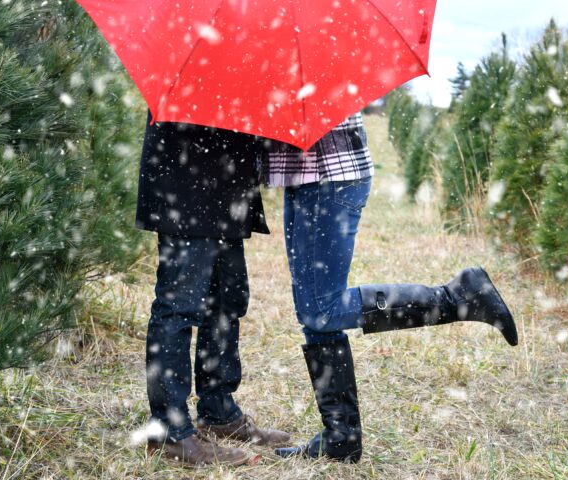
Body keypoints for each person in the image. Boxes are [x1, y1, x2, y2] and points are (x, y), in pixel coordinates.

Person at [262, 112, 519, 463]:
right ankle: (341, 437)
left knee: (321, 309)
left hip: (327, 174)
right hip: (304, 176)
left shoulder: (301, 60)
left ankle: (458, 297)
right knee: (314, 310)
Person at [136, 111, 291, 467]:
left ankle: (218, 411)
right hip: (187, 181)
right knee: (179, 306)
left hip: (227, 184)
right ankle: (169, 432)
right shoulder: (194, 60)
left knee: (226, 301)